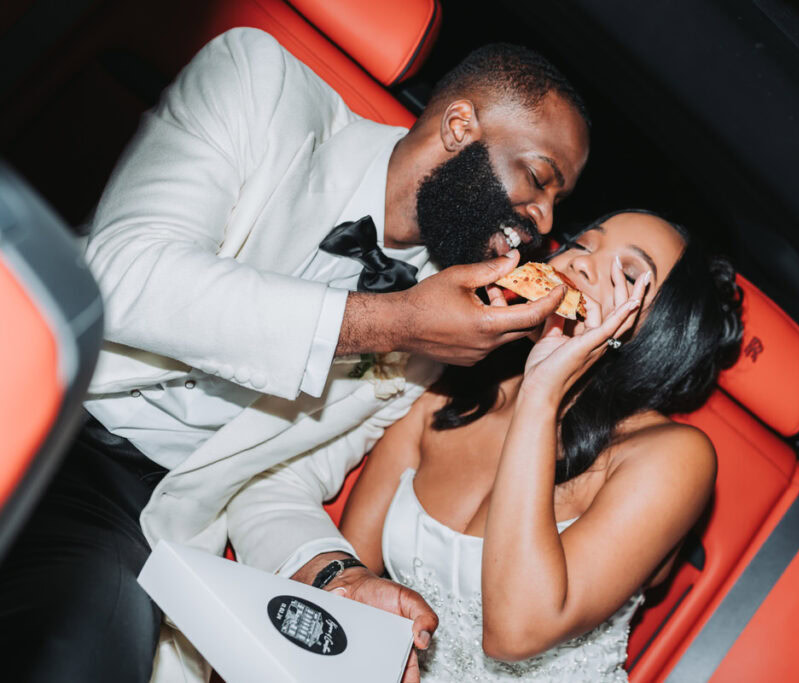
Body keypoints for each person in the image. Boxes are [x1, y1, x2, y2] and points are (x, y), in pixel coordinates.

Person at [0, 27, 589, 683]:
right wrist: (392, 322)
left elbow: (273, 481)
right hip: (35, 389)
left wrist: (335, 575)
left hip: (129, 508)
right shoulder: (261, 83)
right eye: (539, 178)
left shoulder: (444, 327)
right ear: (459, 127)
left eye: (555, 203)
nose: (542, 218)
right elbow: (125, 275)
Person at [247, 210, 745, 680]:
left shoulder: (674, 456)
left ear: (662, 332)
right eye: (578, 245)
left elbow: (516, 632)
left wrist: (542, 389)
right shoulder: (448, 391)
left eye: (628, 273)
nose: (575, 261)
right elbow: (352, 586)